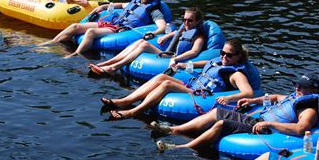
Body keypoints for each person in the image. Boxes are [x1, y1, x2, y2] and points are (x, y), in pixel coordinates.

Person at [154, 73, 319, 152]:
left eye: (301, 86)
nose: (296, 87)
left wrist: (269, 124)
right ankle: (172, 130)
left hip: (265, 129)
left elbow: (300, 129)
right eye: (297, 84)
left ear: (313, 90)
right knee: (216, 113)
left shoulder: (309, 109)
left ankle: (180, 147)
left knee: (222, 124)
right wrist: (252, 101)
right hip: (258, 119)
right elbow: (276, 97)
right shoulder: (295, 97)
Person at [102, 38, 260, 119]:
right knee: (162, 77)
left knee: (166, 84)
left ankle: (133, 111)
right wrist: (188, 65)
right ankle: (124, 101)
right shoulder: (220, 61)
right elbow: (209, 63)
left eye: (229, 55)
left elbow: (249, 92)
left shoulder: (236, 74)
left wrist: (230, 97)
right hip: (193, 86)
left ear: (238, 56)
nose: (224, 57)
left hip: (202, 95)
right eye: (222, 53)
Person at [49, 0, 169, 58]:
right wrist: (106, 6)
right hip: (113, 23)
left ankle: (75, 54)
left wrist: (154, 33)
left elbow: (162, 26)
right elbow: (122, 5)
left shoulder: (154, 10)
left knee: (91, 32)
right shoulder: (137, 2)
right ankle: (50, 43)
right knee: (75, 26)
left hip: (120, 30)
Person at [89, 8, 206, 75]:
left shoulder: (199, 37)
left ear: (197, 21)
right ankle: (107, 63)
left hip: (173, 58)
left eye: (189, 20)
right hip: (167, 53)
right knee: (140, 42)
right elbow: (178, 33)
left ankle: (114, 68)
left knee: (144, 44)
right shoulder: (185, 29)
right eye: (184, 20)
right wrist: (166, 36)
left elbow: (194, 52)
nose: (186, 23)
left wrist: (176, 59)